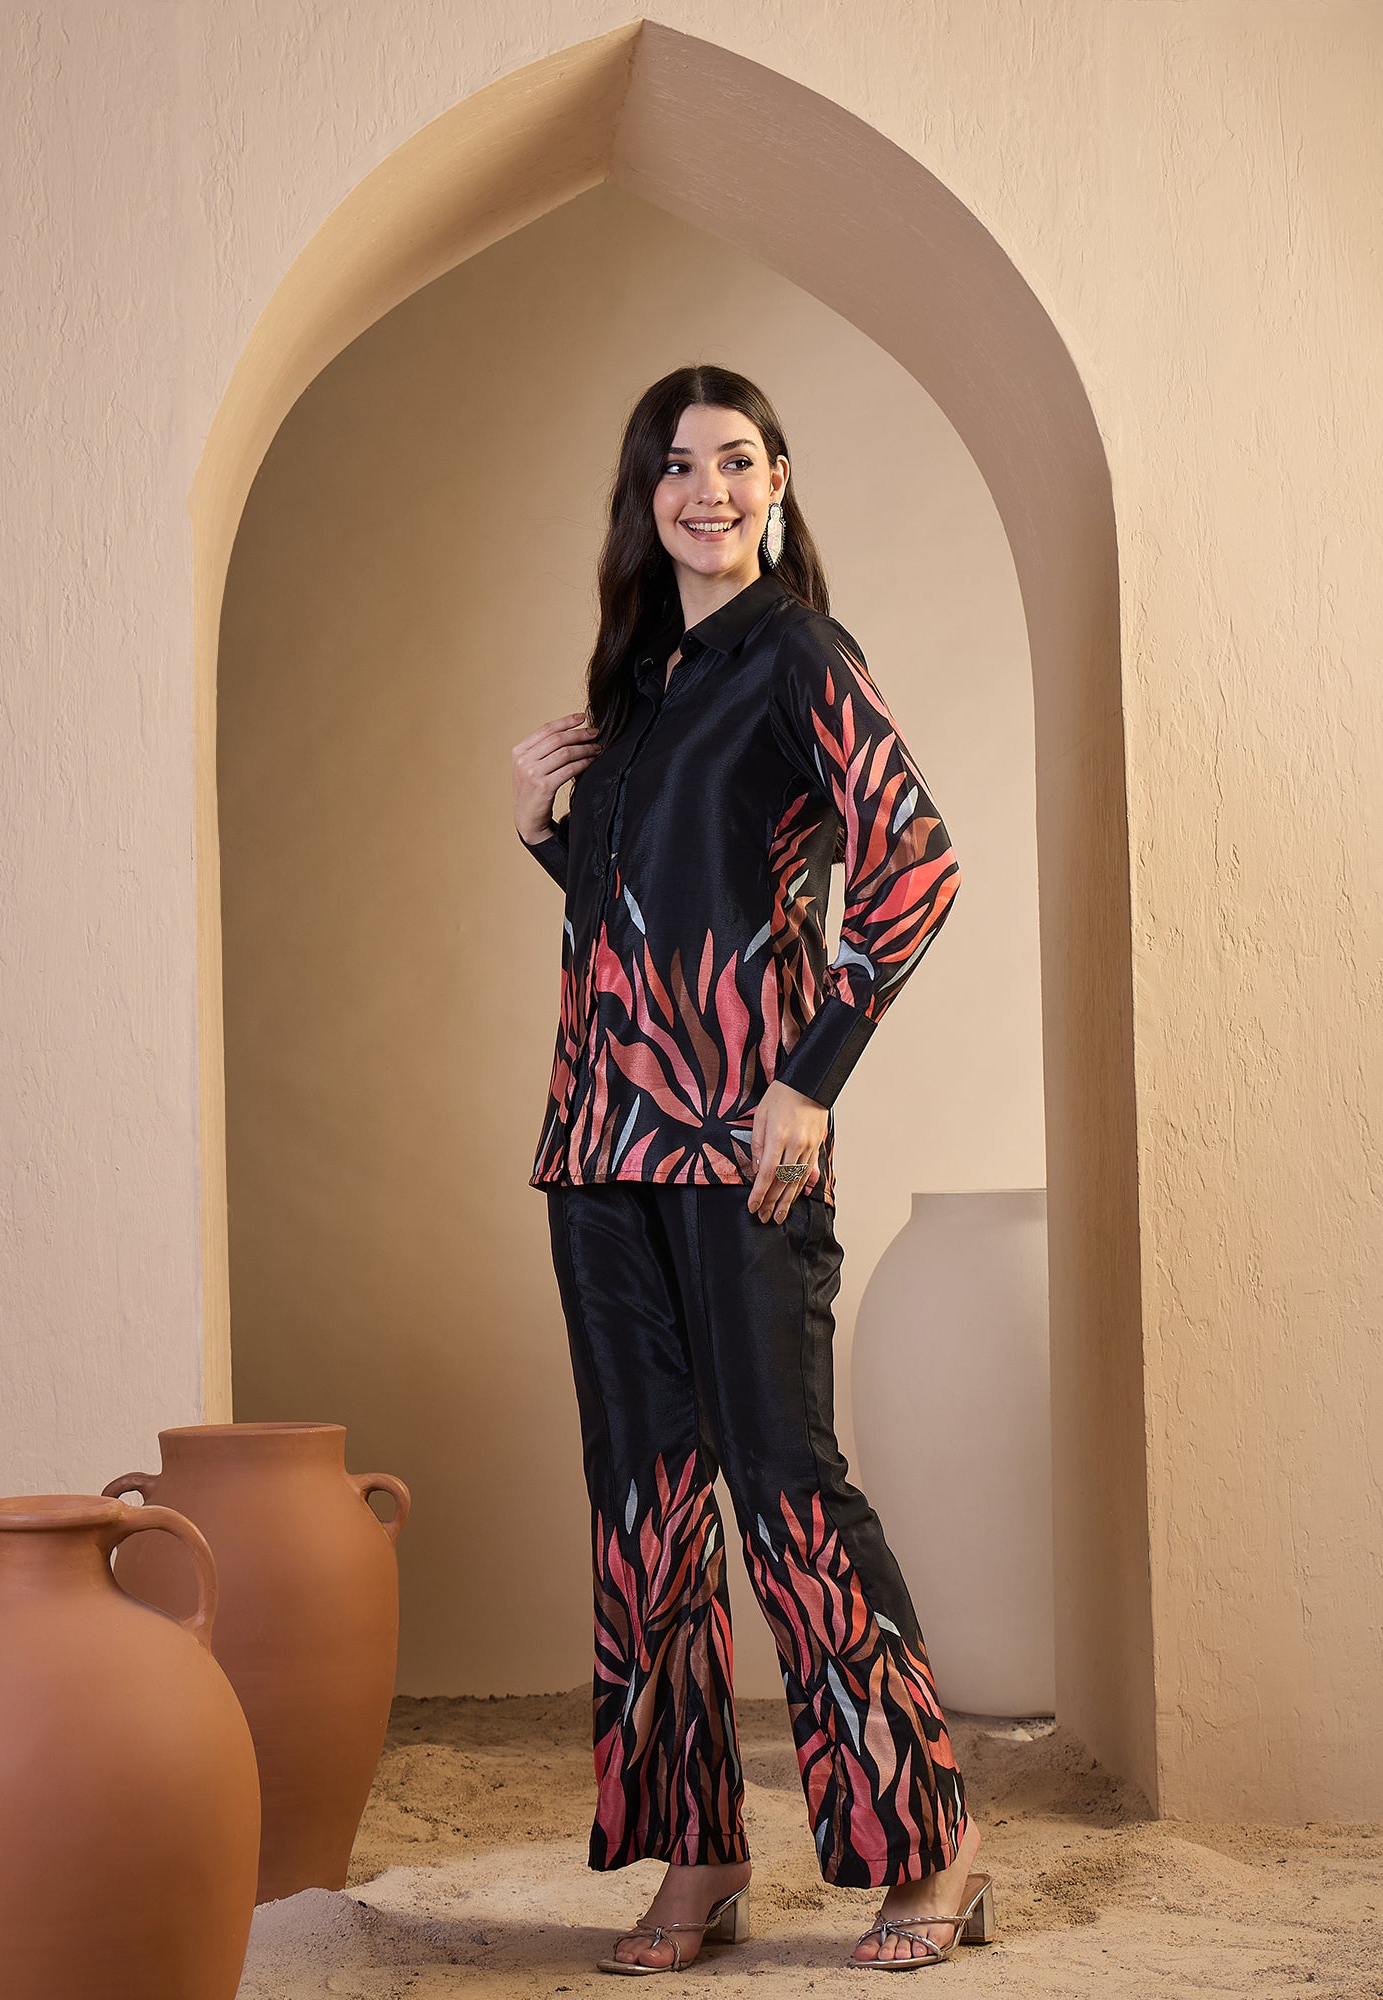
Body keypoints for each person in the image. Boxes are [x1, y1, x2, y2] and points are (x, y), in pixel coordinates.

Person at [509, 365, 992, 1974]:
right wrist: (545, 826)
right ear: (641, 498)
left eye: (732, 461)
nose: (702, 490)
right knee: (646, 1506)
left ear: (777, 483)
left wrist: (809, 1079)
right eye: (673, 465)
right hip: (599, 1148)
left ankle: (934, 1838)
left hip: (742, 1149)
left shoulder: (797, 655)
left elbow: (914, 860)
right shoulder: (642, 682)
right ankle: (698, 1855)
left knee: (785, 1486)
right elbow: (649, 916)